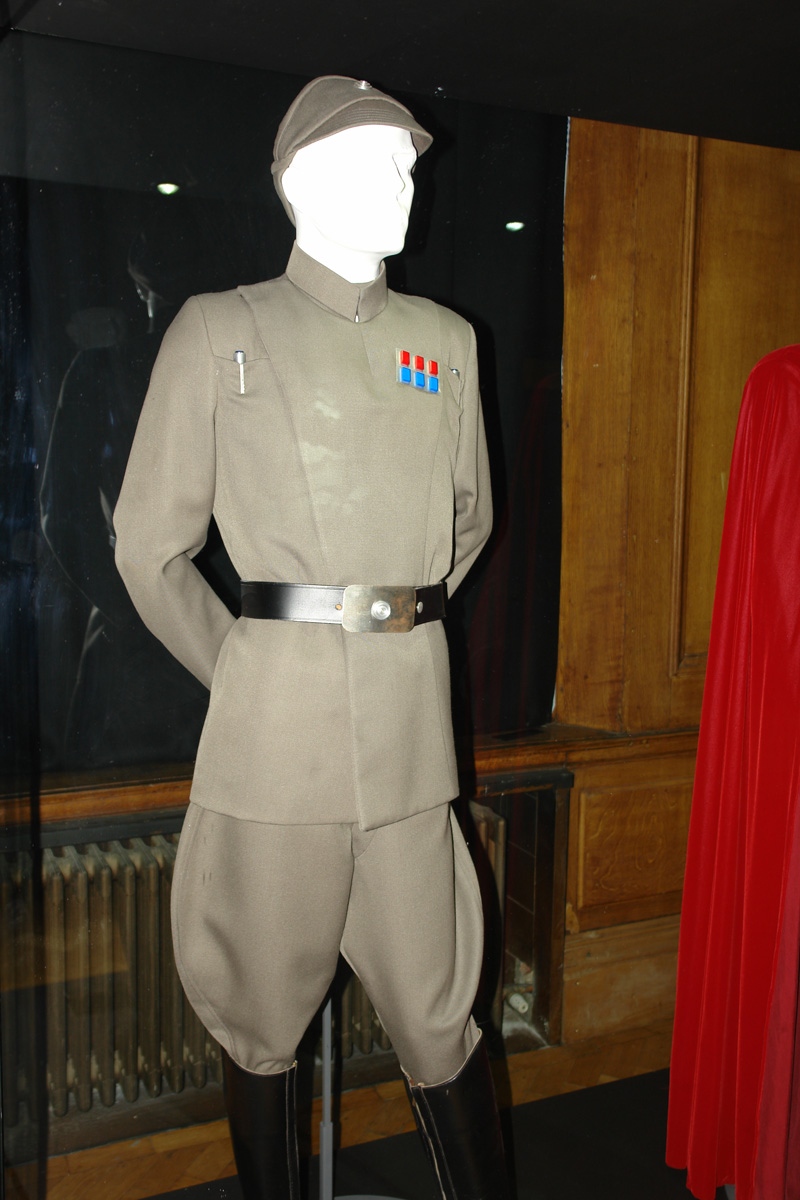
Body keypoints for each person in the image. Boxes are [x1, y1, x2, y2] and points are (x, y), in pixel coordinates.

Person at [114, 75, 508, 1199]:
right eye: (373, 162)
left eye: (409, 164)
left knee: (440, 1015)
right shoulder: (219, 331)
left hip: (409, 749)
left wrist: (390, 630)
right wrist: (247, 667)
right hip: (273, 752)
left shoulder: (445, 342)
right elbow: (148, 548)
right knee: (258, 1019)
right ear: (296, 183)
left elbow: (467, 522)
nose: (405, 184)